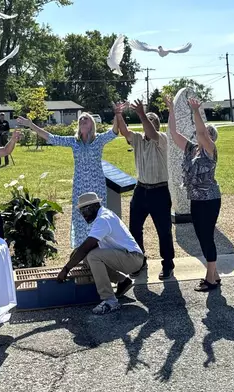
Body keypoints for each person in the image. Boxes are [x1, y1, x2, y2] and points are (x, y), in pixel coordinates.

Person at [16, 112, 118, 248]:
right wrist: (31, 125)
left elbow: (113, 132)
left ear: (92, 124)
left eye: (86, 119)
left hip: (97, 187)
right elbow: (51, 138)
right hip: (80, 186)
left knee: (98, 217)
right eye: (80, 119)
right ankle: (83, 251)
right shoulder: (74, 141)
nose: (82, 120)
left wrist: (117, 114)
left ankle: (101, 251)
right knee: (81, 217)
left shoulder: (98, 140)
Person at [164, 95, 222, 292]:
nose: (199, 135)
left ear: (210, 137)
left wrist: (196, 111)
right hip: (196, 199)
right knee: (202, 235)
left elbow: (202, 133)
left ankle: (211, 279)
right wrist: (171, 109)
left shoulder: (210, 150)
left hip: (210, 199)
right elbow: (173, 133)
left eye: (205, 134)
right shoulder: (191, 149)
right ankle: (214, 273)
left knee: (206, 236)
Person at [113, 100, 175, 281]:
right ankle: (139, 263)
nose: (149, 122)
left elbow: (152, 133)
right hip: (141, 190)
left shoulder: (162, 139)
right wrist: (118, 114)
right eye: (147, 120)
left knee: (163, 230)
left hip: (160, 191)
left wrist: (141, 114)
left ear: (156, 125)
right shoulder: (138, 139)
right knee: (134, 229)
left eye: (152, 120)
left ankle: (168, 264)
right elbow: (124, 132)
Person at [56, 192, 144, 315]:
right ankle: (122, 281)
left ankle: (110, 300)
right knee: (88, 257)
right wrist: (75, 255)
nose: (83, 215)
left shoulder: (103, 219)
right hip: (127, 256)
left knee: (93, 256)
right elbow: (88, 247)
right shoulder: (103, 216)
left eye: (83, 211)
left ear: (91, 207)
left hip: (133, 258)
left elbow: (87, 246)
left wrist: (66, 269)